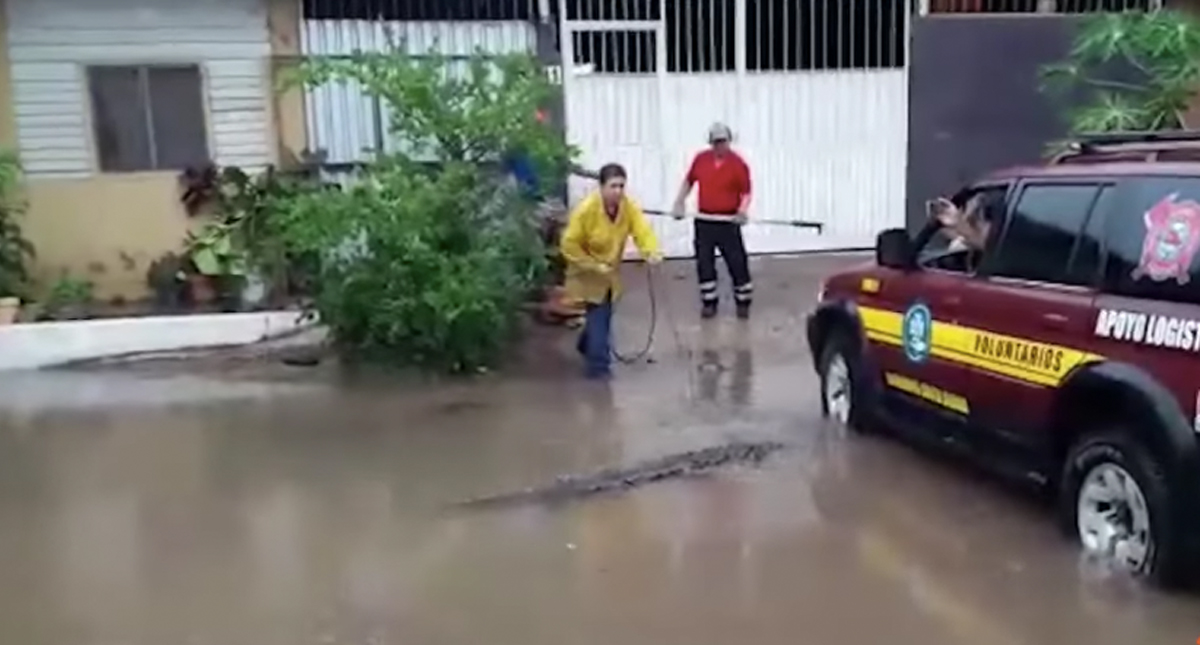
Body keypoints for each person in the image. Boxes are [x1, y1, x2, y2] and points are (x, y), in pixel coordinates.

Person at [560, 163, 663, 380]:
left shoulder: (627, 207)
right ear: (601, 187)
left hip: (609, 275)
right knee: (600, 318)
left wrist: (651, 251)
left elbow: (641, 229)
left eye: (621, 186)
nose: (618, 191)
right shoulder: (586, 211)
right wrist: (592, 265)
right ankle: (598, 370)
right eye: (613, 186)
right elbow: (569, 244)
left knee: (600, 318)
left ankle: (587, 344)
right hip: (585, 272)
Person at [672, 122, 754, 320]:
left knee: (737, 263)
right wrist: (679, 203)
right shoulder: (701, 160)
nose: (720, 146)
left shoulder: (738, 164)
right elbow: (688, 181)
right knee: (704, 263)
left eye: (723, 142)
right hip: (705, 220)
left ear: (729, 141)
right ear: (711, 143)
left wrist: (742, 212)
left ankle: (743, 302)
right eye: (716, 142)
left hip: (728, 221)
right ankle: (709, 303)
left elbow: (746, 192)